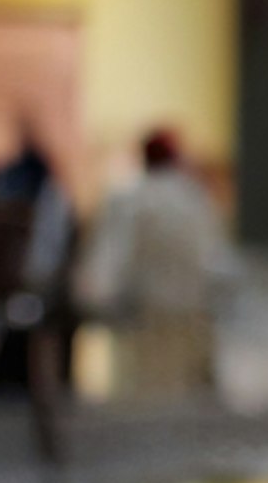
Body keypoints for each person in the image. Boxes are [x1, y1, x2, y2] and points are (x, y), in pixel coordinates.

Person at [77, 126, 232, 401]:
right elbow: (216, 259)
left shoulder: (131, 200)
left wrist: (92, 296)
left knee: (144, 394)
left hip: (145, 316)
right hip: (189, 313)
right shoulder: (195, 199)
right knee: (183, 395)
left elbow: (111, 258)